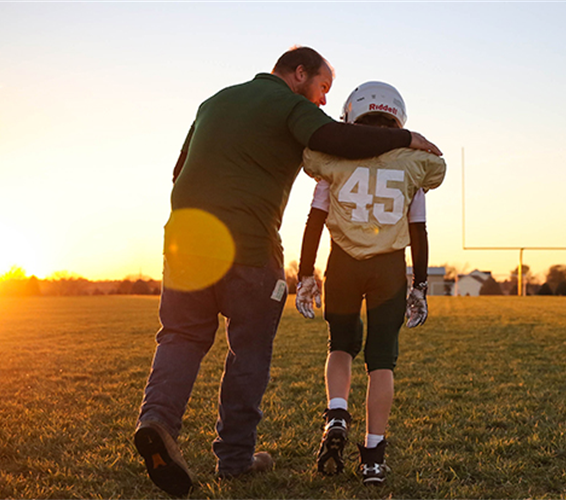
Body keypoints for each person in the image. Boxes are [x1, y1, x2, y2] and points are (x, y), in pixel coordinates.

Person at [133, 47, 443, 498]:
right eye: (321, 88)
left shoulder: (215, 101)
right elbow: (338, 140)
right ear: (299, 74)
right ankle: (235, 458)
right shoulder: (291, 105)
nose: (320, 101)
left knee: (180, 337)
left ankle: (157, 422)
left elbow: (179, 170)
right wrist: (405, 138)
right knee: (249, 350)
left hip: (185, 240)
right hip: (249, 245)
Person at [293, 81, 445, 486]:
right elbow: (418, 230)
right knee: (382, 361)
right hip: (389, 270)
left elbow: (314, 221)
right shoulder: (415, 162)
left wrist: (305, 273)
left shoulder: (333, 159)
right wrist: (420, 286)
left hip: (342, 263)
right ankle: (373, 458)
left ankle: (338, 412)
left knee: (340, 345)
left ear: (351, 115)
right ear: (398, 116)